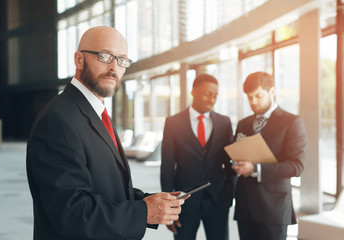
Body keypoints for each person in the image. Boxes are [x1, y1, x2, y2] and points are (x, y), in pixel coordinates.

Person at [26, 26, 186, 240]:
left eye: (122, 60)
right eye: (105, 56)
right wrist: (144, 212)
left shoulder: (96, 113)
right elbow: (72, 212)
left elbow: (105, 188)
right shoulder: (58, 120)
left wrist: (150, 201)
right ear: (79, 60)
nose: (114, 67)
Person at [231, 71, 307, 240]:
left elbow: (297, 166)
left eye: (258, 96)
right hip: (245, 207)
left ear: (271, 92)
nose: (253, 102)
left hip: (274, 208)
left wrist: (256, 169)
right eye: (249, 97)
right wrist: (236, 164)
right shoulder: (243, 124)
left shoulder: (292, 122)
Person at [160, 73, 236, 240]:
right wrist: (168, 206)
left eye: (215, 96)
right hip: (185, 202)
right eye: (207, 94)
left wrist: (230, 192)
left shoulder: (224, 123)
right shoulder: (173, 123)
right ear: (193, 92)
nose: (212, 100)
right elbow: (167, 166)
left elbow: (230, 160)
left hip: (218, 200)